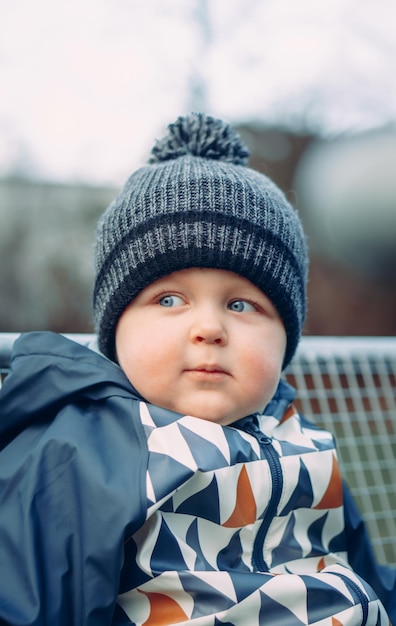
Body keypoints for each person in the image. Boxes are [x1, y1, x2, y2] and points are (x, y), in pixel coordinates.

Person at [0, 113, 394, 626]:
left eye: (241, 305)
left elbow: (362, 572)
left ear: (286, 337)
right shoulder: (83, 451)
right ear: (115, 331)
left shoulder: (301, 438)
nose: (209, 328)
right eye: (168, 299)